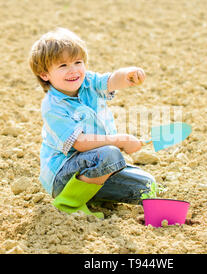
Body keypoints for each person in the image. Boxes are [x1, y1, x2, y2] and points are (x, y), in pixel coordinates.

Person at [28, 28, 164, 219]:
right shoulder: (53, 107)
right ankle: (68, 203)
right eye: (63, 65)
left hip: (95, 165)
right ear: (44, 74)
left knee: (147, 185)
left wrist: (127, 75)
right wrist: (121, 140)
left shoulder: (88, 82)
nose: (73, 70)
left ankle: (90, 194)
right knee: (109, 153)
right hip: (63, 177)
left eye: (78, 62)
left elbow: (110, 81)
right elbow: (80, 143)